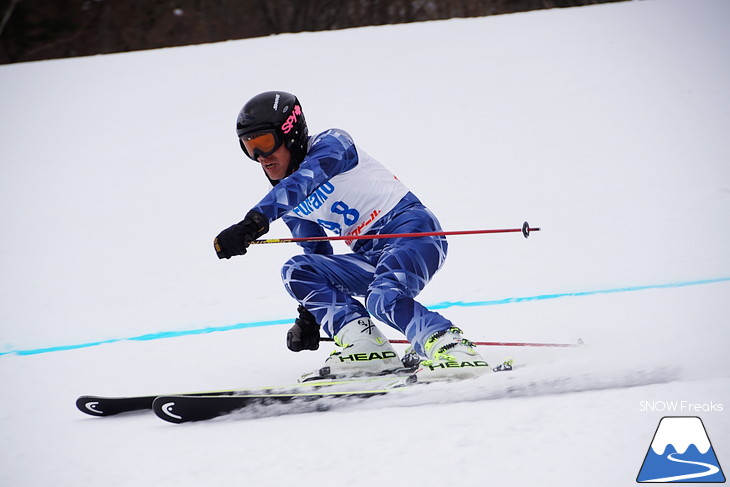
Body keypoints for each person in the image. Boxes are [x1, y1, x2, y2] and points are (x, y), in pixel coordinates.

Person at [214, 91, 490, 381]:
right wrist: (311, 317)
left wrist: (253, 223)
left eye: (264, 143)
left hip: (413, 232)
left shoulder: (332, 144)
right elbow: (315, 252)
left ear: (291, 134)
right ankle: (365, 348)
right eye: (249, 147)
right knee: (298, 270)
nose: (260, 157)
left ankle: (454, 348)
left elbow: (303, 182)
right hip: (370, 255)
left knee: (383, 296)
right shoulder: (284, 198)